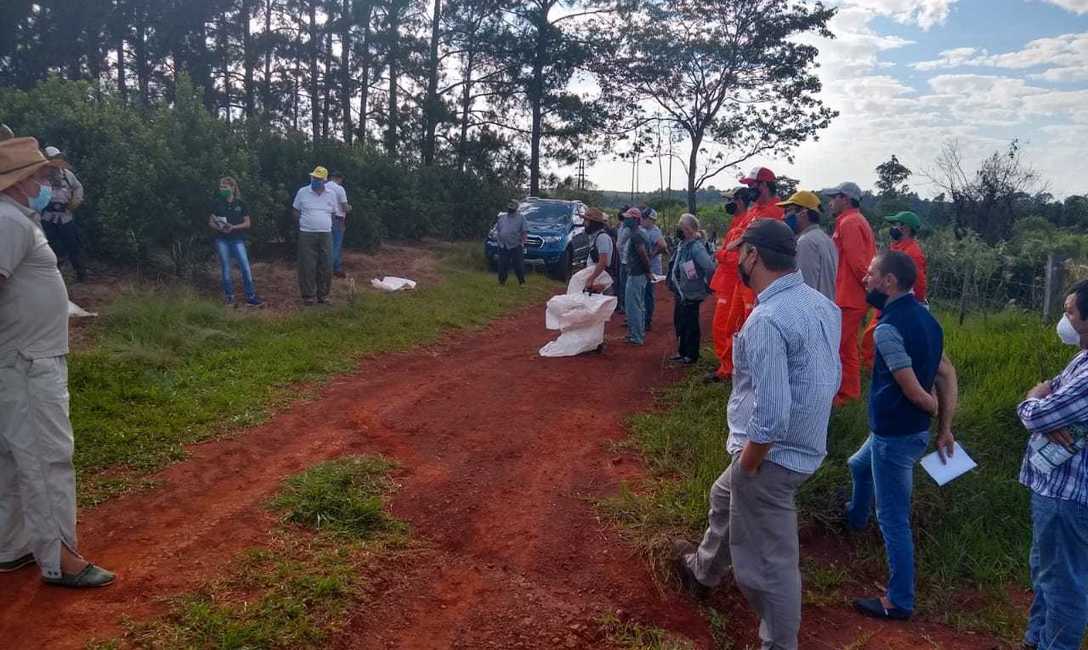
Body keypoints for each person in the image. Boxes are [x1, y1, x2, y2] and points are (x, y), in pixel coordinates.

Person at [672, 219, 841, 650]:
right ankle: (704, 571)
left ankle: (779, 644)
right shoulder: (822, 305)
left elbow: (772, 412)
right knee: (723, 495)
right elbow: (829, 376)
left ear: (753, 256)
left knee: (771, 566)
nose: (739, 259)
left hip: (770, 458)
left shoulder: (768, 319)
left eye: (742, 252)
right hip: (802, 448)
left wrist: (749, 464)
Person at [0, 135, 115, 587]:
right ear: (22, 180)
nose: (50, 180)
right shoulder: (8, 221)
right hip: (29, 362)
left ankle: (13, 547)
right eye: (43, 175)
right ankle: (60, 560)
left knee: (13, 457)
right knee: (47, 458)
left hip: (21, 358)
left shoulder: (15, 219)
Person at [845, 250, 958, 622]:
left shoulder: (888, 329)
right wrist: (943, 428)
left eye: (872, 274)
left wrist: (933, 409)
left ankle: (899, 600)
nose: (866, 279)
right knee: (858, 467)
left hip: (895, 435)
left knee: (893, 518)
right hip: (900, 433)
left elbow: (913, 389)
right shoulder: (927, 320)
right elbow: (946, 374)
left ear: (889, 282)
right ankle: (854, 522)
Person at [1016, 280, 1088, 650]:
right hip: (1055, 490)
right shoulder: (1081, 358)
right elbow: (1051, 389)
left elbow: (1036, 413)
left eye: (1070, 312)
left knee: (1064, 585)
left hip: (1067, 495)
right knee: (1047, 574)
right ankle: (1036, 640)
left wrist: (1032, 400)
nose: (1065, 318)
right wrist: (1043, 400)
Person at [708, 167, 785, 383]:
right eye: (748, 186)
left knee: (753, 328)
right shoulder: (753, 212)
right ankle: (732, 370)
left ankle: (754, 374)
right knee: (732, 326)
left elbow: (740, 245)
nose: (750, 189)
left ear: (764, 185)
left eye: (753, 185)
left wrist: (728, 251)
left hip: (759, 280)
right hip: (742, 280)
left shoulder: (777, 211)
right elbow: (737, 243)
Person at [823, 181, 876, 405]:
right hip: (851, 297)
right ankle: (849, 394)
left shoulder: (850, 223)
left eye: (834, 197)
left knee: (830, 347)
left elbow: (858, 263)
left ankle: (832, 394)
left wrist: (870, 288)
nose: (830, 202)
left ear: (845, 198)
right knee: (846, 348)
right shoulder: (852, 220)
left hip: (849, 297)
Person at [862, 211, 928, 366]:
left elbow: (919, 283)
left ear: (904, 228)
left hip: (897, 303)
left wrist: (914, 305)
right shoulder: (898, 248)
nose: (892, 228)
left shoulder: (913, 252)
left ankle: (883, 374)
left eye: (895, 225)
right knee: (870, 341)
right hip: (887, 301)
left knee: (873, 342)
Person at [707, 187, 753, 383]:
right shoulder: (737, 224)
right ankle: (725, 365)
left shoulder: (744, 226)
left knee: (725, 327)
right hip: (727, 282)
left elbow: (737, 258)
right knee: (722, 327)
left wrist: (719, 254)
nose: (728, 204)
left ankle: (727, 368)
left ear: (740, 201)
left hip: (732, 282)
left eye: (731, 199)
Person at [668, 213, 716, 364]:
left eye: (681, 227)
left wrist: (706, 285)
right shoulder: (683, 245)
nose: (678, 230)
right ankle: (683, 352)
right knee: (681, 321)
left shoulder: (696, 247)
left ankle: (691, 355)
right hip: (682, 291)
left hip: (691, 292)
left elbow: (709, 267)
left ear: (688, 229)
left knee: (690, 323)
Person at [209, 177, 263, 307]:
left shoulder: (240, 204)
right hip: (222, 239)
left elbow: (247, 223)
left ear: (232, 188)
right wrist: (220, 227)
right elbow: (211, 222)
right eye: (221, 187)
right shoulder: (217, 203)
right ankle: (229, 298)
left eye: (225, 187)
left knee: (245, 267)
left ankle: (250, 296)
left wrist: (233, 227)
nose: (222, 190)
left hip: (237, 239)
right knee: (226, 268)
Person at [291, 166, 339, 305]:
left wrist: (328, 224)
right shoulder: (303, 192)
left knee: (326, 264)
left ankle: (323, 295)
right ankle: (308, 296)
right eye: (313, 178)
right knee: (307, 265)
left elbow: (334, 213)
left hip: (325, 233)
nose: (315, 180)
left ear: (324, 180)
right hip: (307, 233)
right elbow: (295, 210)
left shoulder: (331, 194)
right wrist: (302, 222)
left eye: (318, 179)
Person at [779, 190, 837, 301]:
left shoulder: (806, 242)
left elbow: (804, 287)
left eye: (788, 211)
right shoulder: (826, 239)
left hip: (812, 312)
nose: (783, 217)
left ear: (803, 213)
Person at [40, 146, 87, 283]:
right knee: (50, 247)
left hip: (65, 216)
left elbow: (78, 187)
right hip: (47, 217)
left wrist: (76, 201)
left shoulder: (67, 175)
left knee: (73, 245)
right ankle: (53, 278)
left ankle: (81, 275)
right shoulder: (40, 175)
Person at [623, 207, 653, 345]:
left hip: (637, 274)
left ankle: (636, 336)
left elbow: (643, 254)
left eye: (628, 218)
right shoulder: (640, 233)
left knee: (633, 306)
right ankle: (637, 334)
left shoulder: (636, 235)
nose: (625, 220)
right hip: (639, 273)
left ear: (635, 219)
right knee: (638, 305)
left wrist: (647, 271)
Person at [641, 208, 668, 332]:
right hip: (647, 267)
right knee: (644, 293)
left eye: (644, 218)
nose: (642, 220)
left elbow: (663, 245)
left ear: (649, 219)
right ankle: (644, 318)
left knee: (647, 294)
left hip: (651, 267)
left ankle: (647, 320)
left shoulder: (654, 231)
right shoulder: (646, 230)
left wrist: (650, 255)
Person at [495, 200, 528, 287]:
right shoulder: (502, 218)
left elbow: (524, 232)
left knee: (518, 265)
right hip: (503, 244)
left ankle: (522, 282)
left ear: (516, 208)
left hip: (516, 245)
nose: (510, 209)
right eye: (509, 208)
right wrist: (498, 239)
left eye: (512, 208)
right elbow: (498, 230)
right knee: (502, 265)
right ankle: (501, 282)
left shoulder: (521, 218)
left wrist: (522, 242)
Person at [325, 171, 351, 279]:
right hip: (337, 219)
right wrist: (350, 208)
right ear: (338, 178)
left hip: (325, 218)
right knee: (336, 244)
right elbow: (344, 207)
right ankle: (328, 270)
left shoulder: (324, 187)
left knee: (327, 245)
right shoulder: (339, 189)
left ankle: (337, 269)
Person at [583, 208, 613, 291]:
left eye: (586, 220)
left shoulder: (602, 238)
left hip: (601, 280)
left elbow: (603, 262)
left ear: (593, 223)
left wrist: (591, 279)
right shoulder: (595, 237)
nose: (584, 223)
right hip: (598, 278)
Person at [616, 205, 632, 313]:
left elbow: (620, 243)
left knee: (627, 285)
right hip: (622, 258)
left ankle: (627, 308)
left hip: (627, 260)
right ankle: (623, 306)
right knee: (623, 284)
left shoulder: (628, 229)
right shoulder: (621, 227)